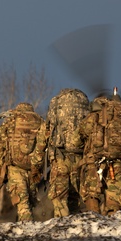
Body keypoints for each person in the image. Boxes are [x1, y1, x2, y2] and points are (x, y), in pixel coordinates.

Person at [78, 89, 121, 214]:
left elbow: (83, 131)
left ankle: (92, 220)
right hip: (119, 159)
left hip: (96, 159)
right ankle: (113, 222)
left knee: (92, 193)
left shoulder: (95, 114)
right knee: (114, 197)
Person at [0, 102, 47, 222]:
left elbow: (1, 144)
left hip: (14, 167)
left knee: (22, 201)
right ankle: (38, 227)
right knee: (33, 200)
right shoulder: (39, 121)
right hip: (33, 168)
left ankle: (27, 230)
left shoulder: (11, 120)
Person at [44, 88, 91, 217]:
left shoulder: (56, 102)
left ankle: (62, 229)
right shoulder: (84, 103)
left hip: (60, 156)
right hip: (79, 158)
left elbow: (48, 129)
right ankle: (75, 228)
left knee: (59, 197)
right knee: (75, 197)